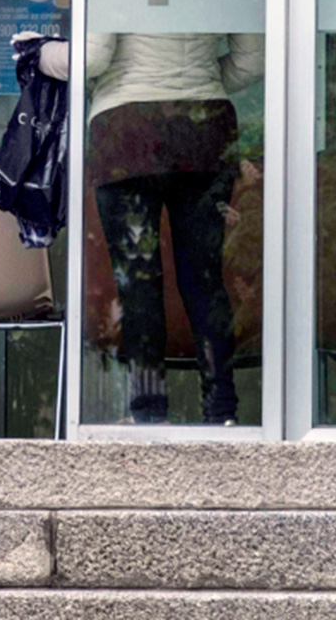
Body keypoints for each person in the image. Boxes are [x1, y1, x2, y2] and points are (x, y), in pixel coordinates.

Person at [72, 32, 263, 425]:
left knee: (137, 279)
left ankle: (148, 410)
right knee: (204, 278)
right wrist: (198, 82)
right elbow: (252, 60)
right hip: (204, 127)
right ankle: (222, 408)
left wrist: (42, 56)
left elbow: (91, 59)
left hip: (126, 129)